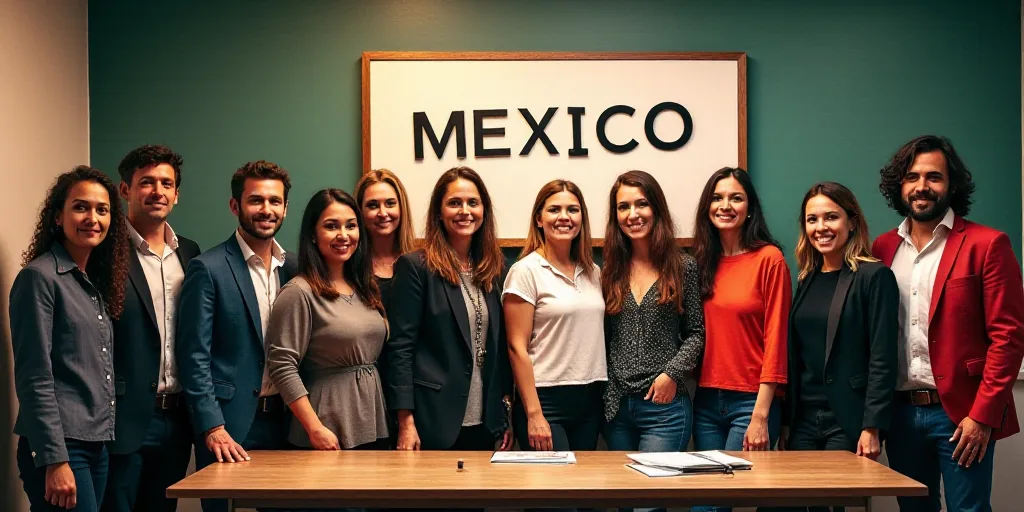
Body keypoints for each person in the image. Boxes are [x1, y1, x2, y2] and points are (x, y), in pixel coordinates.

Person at [872, 135, 1024, 512]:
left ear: (951, 185)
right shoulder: (881, 249)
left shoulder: (987, 244)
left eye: (933, 177)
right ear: (899, 186)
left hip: (961, 416)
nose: (922, 186)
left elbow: (1009, 338)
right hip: (901, 412)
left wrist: (983, 416)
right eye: (912, 177)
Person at [176, 160, 297, 512]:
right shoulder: (208, 268)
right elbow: (193, 355)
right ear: (235, 206)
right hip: (229, 427)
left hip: (286, 424)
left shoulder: (295, 268)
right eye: (256, 200)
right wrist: (211, 425)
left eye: (275, 201)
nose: (267, 210)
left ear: (286, 207)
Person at [12, 166, 130, 512]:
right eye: (80, 207)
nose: (92, 218)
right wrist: (54, 460)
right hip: (62, 448)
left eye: (102, 210)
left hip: (96, 444)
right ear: (57, 218)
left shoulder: (92, 282)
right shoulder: (39, 278)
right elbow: (35, 377)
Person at [778, 182, 898, 512]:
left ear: (852, 222)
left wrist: (872, 427)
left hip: (846, 420)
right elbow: (797, 355)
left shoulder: (874, 277)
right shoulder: (806, 278)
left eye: (831, 217)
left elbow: (882, 359)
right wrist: (787, 420)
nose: (821, 227)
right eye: (812, 219)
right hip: (803, 420)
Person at [386, 166, 514, 453]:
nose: (464, 211)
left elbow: (499, 348)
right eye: (454, 203)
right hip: (433, 419)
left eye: (473, 203)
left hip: (486, 421)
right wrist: (405, 422)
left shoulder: (494, 268)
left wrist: (504, 415)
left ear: (484, 210)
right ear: (439, 213)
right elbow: (400, 349)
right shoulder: (417, 267)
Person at [102, 145, 201, 512]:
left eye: (166, 183)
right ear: (125, 190)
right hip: (122, 421)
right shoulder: (103, 251)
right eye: (146, 182)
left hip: (176, 421)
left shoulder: (190, 253)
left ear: (176, 194)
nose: (157, 191)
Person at [601, 171, 705, 512]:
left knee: (648, 506)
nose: (633, 214)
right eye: (623, 207)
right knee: (624, 504)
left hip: (664, 407)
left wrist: (671, 375)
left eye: (641, 204)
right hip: (617, 407)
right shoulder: (609, 270)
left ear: (656, 208)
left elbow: (696, 332)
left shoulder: (683, 266)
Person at [691, 167, 791, 512]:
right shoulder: (700, 263)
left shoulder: (769, 259)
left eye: (736, 197)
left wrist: (761, 415)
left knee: (719, 503)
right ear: (707, 207)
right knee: (706, 503)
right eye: (717, 198)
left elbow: (777, 338)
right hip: (704, 402)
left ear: (750, 207)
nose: (726, 205)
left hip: (751, 402)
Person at [267, 188, 390, 453]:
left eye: (351, 226)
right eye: (331, 226)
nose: (343, 235)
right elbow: (282, 366)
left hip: (372, 419)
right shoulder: (299, 292)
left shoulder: (364, 287)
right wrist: (314, 428)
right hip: (326, 426)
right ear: (313, 234)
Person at [503, 180, 606, 457]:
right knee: (555, 498)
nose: (564, 217)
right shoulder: (525, 271)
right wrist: (534, 414)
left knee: (587, 498)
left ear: (582, 218)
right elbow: (516, 347)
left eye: (572, 209)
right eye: (554, 210)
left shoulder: (594, 272)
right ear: (539, 218)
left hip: (589, 400)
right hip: (545, 401)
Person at [355, 168, 416, 309]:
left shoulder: (421, 263)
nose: (382, 213)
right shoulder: (349, 266)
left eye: (390, 203)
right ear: (359, 211)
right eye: (373, 205)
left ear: (401, 207)